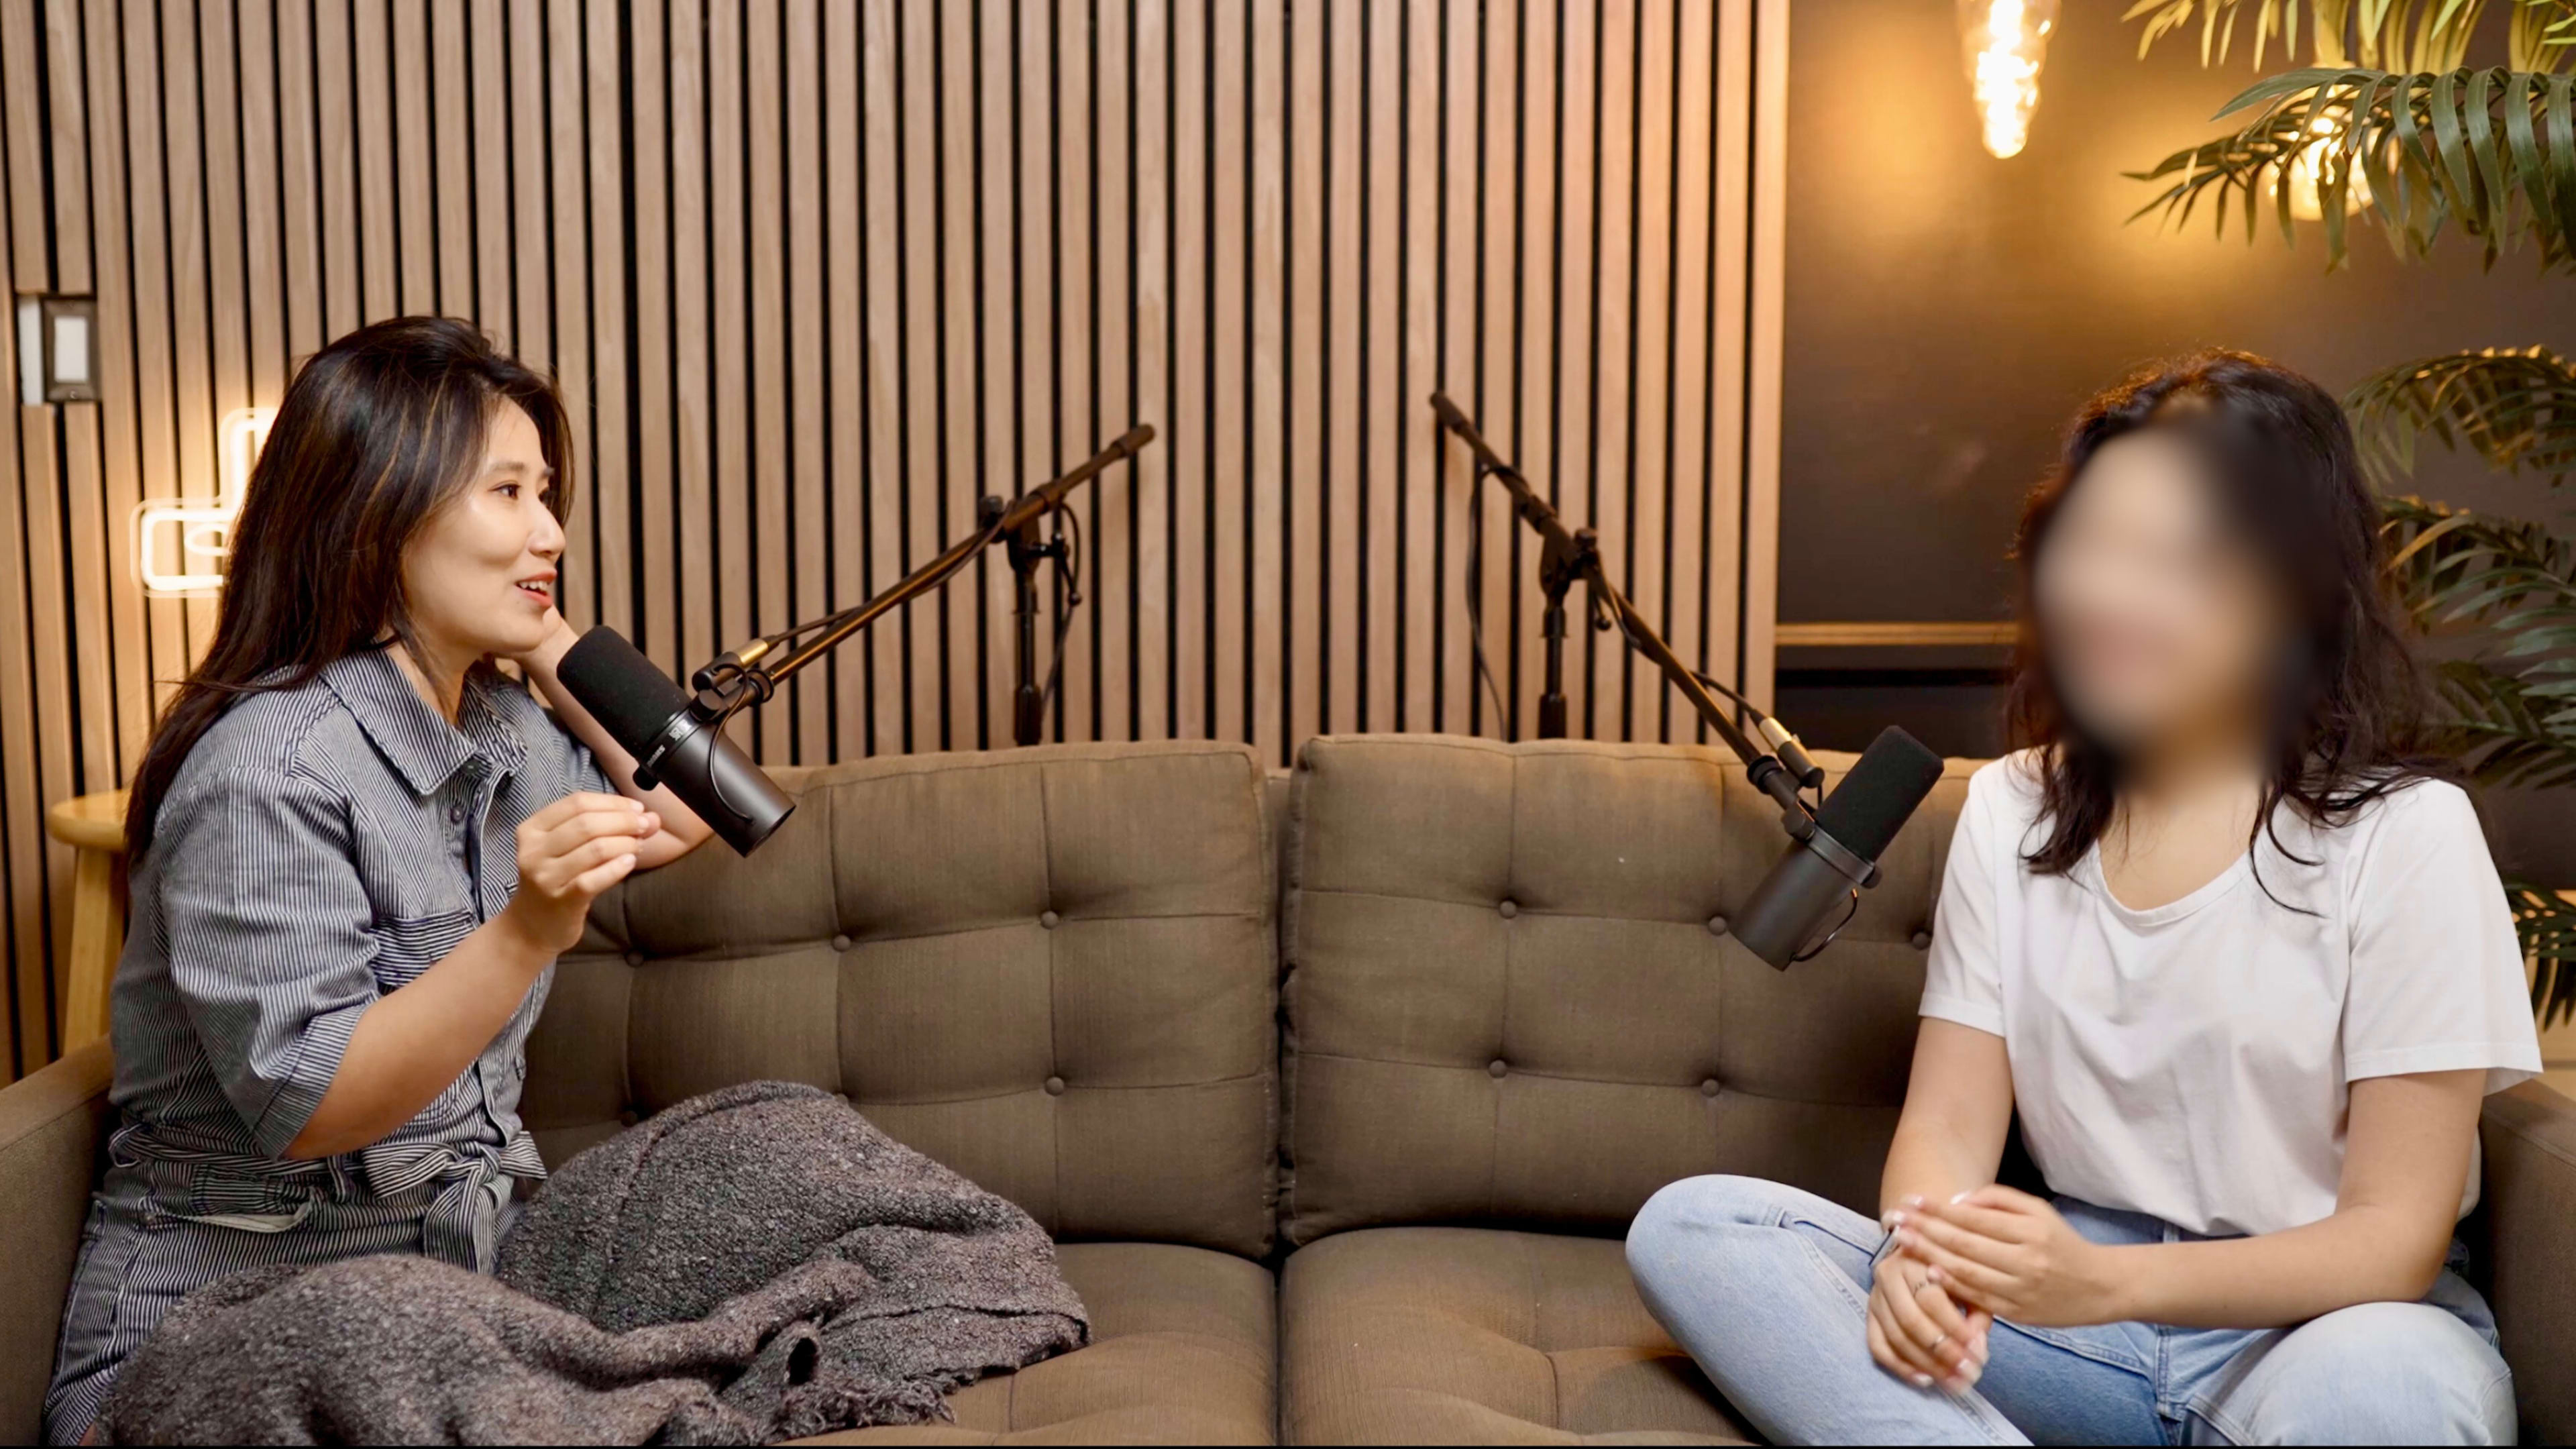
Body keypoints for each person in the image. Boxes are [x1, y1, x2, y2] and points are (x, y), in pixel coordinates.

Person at [1625, 352, 2541, 1445]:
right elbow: (1950, 1129)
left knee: (2388, 1397)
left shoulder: (2406, 836)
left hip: (2323, 1327)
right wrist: (1924, 1255)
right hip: (2065, 1326)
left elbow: (2393, 1238)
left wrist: (2101, 1287)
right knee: (1699, 1227)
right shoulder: (2014, 807)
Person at [44, 317, 716, 1445]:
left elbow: (689, 806)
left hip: (451, 1294)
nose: (550, 528)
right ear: (378, 511)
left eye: (547, 494)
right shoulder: (268, 769)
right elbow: (312, 1107)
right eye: (507, 495)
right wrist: (526, 929)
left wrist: (548, 636)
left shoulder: (502, 721)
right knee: (400, 1328)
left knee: (779, 1151)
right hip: (229, 1334)